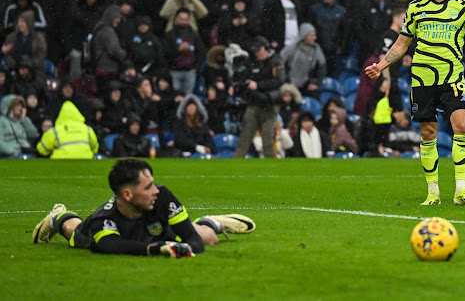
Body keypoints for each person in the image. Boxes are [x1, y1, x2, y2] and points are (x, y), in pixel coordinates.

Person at [365, 0, 465, 206]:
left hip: (453, 77)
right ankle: (433, 192)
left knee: (462, 126)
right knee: (427, 133)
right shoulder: (415, 7)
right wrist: (381, 65)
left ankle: (461, 189)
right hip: (422, 79)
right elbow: (402, 44)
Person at [31, 159, 255, 256]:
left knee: (207, 238)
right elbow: (112, 246)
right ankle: (57, 217)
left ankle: (211, 223)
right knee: (74, 231)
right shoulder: (104, 219)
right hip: (112, 234)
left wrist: (184, 247)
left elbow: (193, 241)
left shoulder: (161, 196)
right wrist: (156, 250)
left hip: (150, 230)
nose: (156, 190)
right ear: (127, 195)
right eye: (148, 187)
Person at [234, 36, 285, 158]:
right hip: (254, 103)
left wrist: (258, 85)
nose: (258, 53)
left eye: (260, 50)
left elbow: (279, 80)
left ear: (266, 48)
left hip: (270, 104)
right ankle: (235, 163)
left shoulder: (276, 61)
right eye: (256, 51)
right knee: (245, 137)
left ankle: (271, 165)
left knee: (267, 138)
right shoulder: (250, 61)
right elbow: (243, 76)